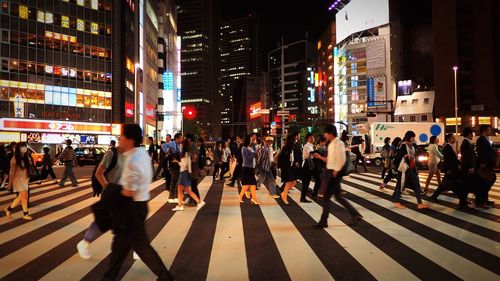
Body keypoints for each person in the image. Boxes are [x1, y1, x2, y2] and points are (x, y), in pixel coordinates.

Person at [103, 124, 174, 281]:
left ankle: (165, 277)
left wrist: (111, 191)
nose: (119, 140)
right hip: (138, 206)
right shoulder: (141, 154)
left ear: (129, 140)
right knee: (120, 247)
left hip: (131, 209)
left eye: (121, 137)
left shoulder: (133, 159)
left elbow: (129, 191)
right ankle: (108, 277)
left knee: (140, 246)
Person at [77, 140, 124, 259]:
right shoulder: (112, 153)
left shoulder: (132, 154)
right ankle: (84, 243)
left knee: (130, 221)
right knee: (102, 220)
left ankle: (139, 248)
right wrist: (107, 188)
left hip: (125, 193)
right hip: (111, 193)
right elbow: (99, 173)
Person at [312, 124, 362, 228]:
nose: (324, 135)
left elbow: (342, 158)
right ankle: (355, 215)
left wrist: (336, 171)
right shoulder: (331, 144)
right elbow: (330, 159)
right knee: (338, 197)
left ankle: (323, 221)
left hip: (335, 173)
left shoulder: (338, 143)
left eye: (325, 133)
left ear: (330, 133)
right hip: (332, 172)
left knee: (326, 198)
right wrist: (320, 157)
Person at [392, 131, 429, 209]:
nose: (413, 139)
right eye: (412, 137)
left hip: (411, 169)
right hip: (405, 169)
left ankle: (420, 203)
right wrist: (405, 156)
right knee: (401, 185)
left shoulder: (412, 146)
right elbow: (399, 157)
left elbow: (413, 157)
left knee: (415, 185)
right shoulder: (403, 145)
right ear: (409, 137)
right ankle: (396, 201)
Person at [172, 138, 206, 211]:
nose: (180, 145)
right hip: (185, 173)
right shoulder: (187, 153)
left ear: (184, 145)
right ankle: (181, 205)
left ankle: (197, 202)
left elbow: (184, 164)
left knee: (183, 190)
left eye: (181, 144)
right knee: (185, 191)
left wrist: (177, 161)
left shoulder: (185, 153)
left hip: (183, 173)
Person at [3, 142, 33, 220]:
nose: (24, 148)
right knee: (24, 195)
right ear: (18, 149)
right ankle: (25, 214)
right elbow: (11, 172)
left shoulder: (26, 157)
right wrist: (10, 183)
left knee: (22, 196)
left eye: (25, 146)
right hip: (17, 180)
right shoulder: (14, 159)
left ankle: (9, 209)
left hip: (25, 180)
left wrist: (29, 159)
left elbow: (29, 167)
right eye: (22, 147)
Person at [429, 134, 460, 203]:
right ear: (448, 139)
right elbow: (448, 159)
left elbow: (453, 158)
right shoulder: (447, 147)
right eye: (452, 138)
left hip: (451, 169)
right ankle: (461, 198)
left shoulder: (449, 146)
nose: (454, 139)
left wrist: (459, 163)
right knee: (448, 183)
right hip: (449, 169)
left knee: (451, 183)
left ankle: (461, 197)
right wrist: (448, 169)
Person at [475, 125, 496, 208]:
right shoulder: (481, 139)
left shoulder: (485, 139)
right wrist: (482, 163)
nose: (490, 132)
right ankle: (480, 201)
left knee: (487, 181)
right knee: (484, 183)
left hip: (487, 165)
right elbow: (481, 152)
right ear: (484, 130)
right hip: (484, 165)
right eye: (489, 130)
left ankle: (484, 200)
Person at [455, 127, 476, 210]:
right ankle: (462, 203)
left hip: (466, 168)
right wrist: (470, 167)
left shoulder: (466, 142)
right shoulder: (466, 143)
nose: (473, 136)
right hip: (467, 168)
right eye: (472, 134)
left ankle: (463, 201)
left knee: (466, 186)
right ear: (469, 134)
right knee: (465, 186)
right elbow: (467, 157)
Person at [278, 134, 299, 205]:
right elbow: (281, 158)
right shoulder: (286, 147)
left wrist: (295, 162)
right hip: (286, 167)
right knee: (288, 182)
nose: (296, 139)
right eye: (294, 138)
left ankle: (283, 193)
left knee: (294, 182)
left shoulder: (292, 147)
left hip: (291, 167)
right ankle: (284, 197)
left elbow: (293, 157)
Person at [238, 135, 259, 205]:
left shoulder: (252, 147)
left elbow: (254, 156)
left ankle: (253, 198)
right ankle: (253, 199)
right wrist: (254, 153)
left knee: (252, 184)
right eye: (250, 140)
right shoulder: (244, 148)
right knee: (249, 185)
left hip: (251, 168)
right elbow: (247, 159)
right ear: (247, 140)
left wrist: (256, 153)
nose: (252, 141)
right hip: (246, 168)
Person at [166, 133, 183, 203]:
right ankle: (176, 197)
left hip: (176, 166)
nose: (181, 139)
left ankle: (171, 197)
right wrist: (174, 160)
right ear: (176, 139)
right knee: (177, 181)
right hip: (173, 166)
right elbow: (168, 155)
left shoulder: (178, 145)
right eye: (180, 138)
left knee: (174, 181)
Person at [300, 133, 316, 203]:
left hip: (310, 164)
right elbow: (308, 156)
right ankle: (302, 198)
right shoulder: (307, 146)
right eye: (311, 137)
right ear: (307, 139)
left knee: (308, 181)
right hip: (307, 164)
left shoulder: (311, 146)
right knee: (306, 182)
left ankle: (309, 195)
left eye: (313, 137)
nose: (312, 138)